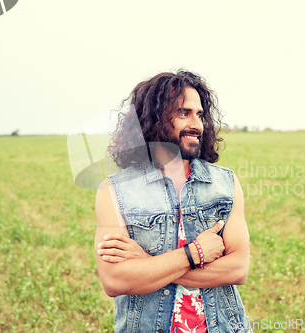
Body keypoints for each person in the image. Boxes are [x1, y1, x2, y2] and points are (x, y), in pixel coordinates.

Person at [94, 70, 251, 333]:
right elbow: (115, 280)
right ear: (152, 119)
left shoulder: (225, 184)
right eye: (183, 113)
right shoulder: (114, 190)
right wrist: (194, 254)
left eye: (200, 114)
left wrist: (146, 262)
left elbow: (238, 269)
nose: (197, 124)